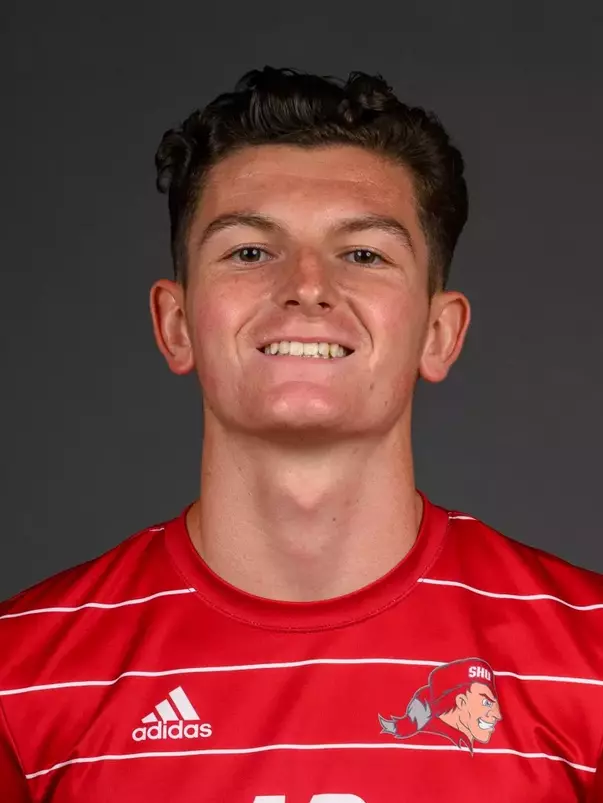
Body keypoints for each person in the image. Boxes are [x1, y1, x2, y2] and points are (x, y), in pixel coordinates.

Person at [0, 66, 602, 803]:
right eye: (250, 251)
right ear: (176, 323)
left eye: (363, 254)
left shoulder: (588, 661)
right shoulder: (21, 676)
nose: (306, 284)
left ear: (437, 333)